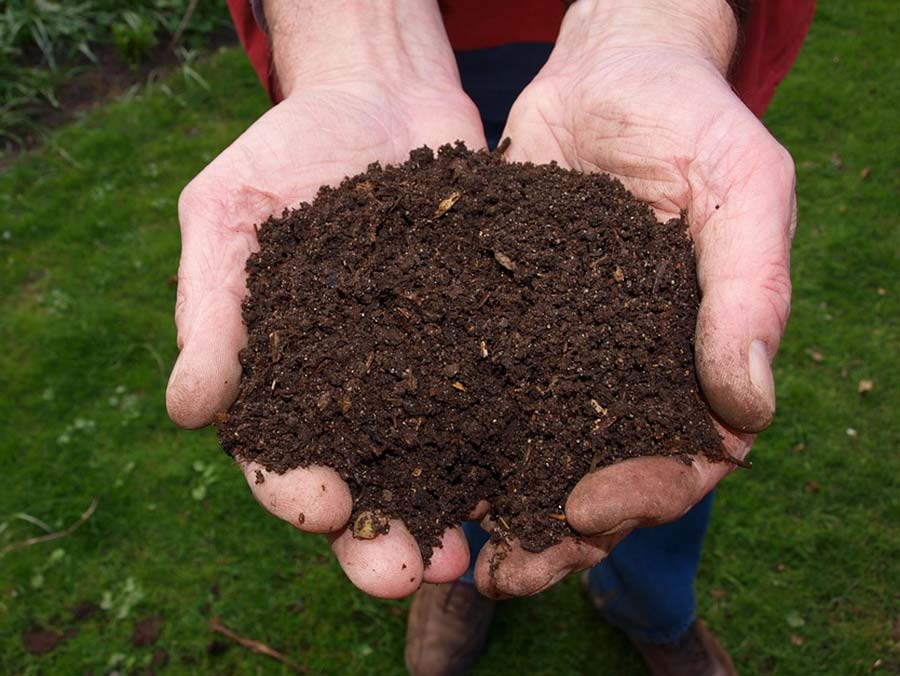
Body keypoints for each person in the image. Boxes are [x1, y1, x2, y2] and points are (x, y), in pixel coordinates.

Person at [166, 1, 815, 673]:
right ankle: (464, 572)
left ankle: (653, 608)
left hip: (652, 39)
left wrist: (663, 23)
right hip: (435, 35)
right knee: (464, 449)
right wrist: (357, 41)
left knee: (664, 443)